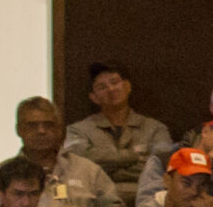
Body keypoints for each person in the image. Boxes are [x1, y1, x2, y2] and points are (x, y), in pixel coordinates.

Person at [0, 97, 119, 207]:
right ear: (19, 130)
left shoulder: (88, 170)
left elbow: (113, 205)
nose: (41, 131)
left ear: (59, 129)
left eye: (49, 125)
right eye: (32, 125)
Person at [65, 60, 172, 198]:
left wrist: (109, 171)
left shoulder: (156, 128)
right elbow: (79, 167)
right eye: (102, 87)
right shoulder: (77, 130)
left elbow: (160, 168)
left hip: (147, 198)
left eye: (114, 82)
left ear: (128, 86)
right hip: (96, 199)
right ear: (93, 97)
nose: (111, 89)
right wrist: (133, 156)